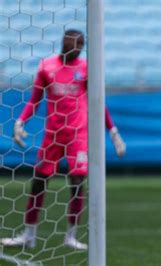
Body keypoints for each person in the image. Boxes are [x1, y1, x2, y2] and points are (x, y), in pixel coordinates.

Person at [0, 29, 126, 251]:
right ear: (64, 43)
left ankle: (71, 235)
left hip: (78, 134)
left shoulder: (86, 68)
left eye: (81, 44)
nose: (77, 48)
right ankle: (29, 235)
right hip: (53, 134)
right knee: (39, 182)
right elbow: (34, 100)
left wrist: (113, 131)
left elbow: (98, 102)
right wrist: (20, 122)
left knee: (77, 183)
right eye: (74, 44)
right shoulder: (46, 67)